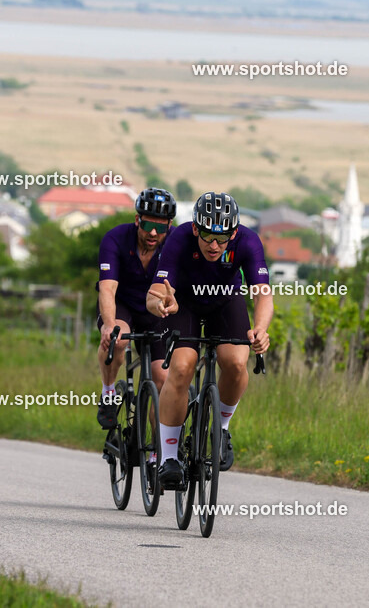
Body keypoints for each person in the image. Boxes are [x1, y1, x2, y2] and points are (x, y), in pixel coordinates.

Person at [146, 191, 273, 488]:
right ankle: (168, 458)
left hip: (225, 301)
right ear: (195, 228)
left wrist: (261, 329)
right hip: (183, 303)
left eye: (222, 238)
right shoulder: (179, 238)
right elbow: (155, 292)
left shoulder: (248, 241)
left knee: (237, 363)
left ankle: (222, 428)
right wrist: (162, 303)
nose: (214, 245)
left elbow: (262, 293)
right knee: (180, 367)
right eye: (206, 236)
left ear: (234, 232)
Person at [96, 187, 176, 434]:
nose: (153, 233)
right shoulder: (115, 239)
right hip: (124, 304)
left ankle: (156, 452)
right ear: (137, 220)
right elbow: (107, 289)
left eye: (161, 227)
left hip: (156, 310)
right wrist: (110, 326)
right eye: (148, 225)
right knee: (117, 340)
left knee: (163, 381)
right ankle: (109, 393)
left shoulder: (175, 244)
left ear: (169, 226)